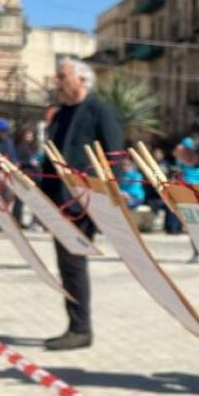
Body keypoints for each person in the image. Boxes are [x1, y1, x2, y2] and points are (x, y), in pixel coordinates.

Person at [39, 57, 123, 350]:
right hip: (58, 201)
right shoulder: (61, 114)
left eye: (62, 77)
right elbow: (50, 158)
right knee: (67, 265)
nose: (57, 82)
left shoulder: (101, 111)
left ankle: (81, 329)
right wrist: (41, 198)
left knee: (73, 264)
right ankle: (76, 326)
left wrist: (111, 198)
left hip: (84, 200)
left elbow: (114, 157)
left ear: (82, 80)